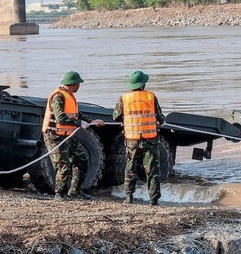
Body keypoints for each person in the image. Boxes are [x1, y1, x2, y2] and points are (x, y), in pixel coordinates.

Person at [43, 71, 102, 201]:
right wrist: (80, 123)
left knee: (82, 160)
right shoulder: (58, 97)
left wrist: (91, 121)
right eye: (78, 84)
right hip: (54, 136)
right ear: (74, 85)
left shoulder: (70, 97)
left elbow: (76, 114)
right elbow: (61, 118)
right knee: (62, 165)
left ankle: (75, 190)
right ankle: (60, 194)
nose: (79, 87)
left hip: (67, 136)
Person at [113, 70, 165, 206]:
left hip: (132, 140)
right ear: (143, 84)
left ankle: (129, 198)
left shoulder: (124, 98)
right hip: (150, 140)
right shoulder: (151, 97)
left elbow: (115, 116)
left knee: (130, 169)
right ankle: (153, 200)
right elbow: (160, 117)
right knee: (152, 170)